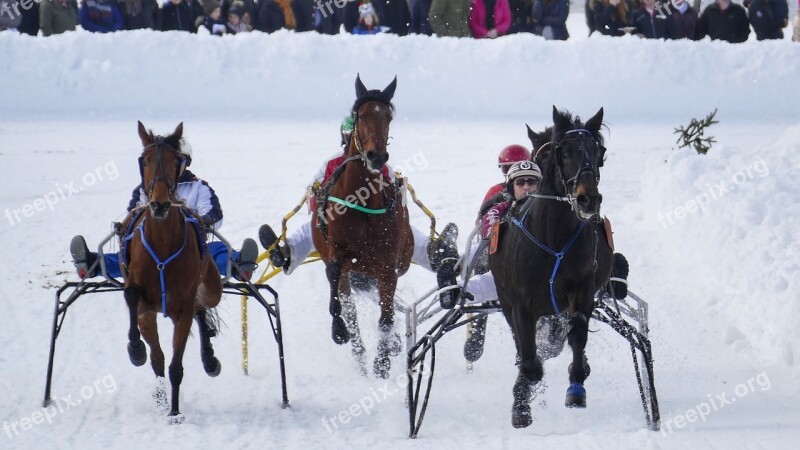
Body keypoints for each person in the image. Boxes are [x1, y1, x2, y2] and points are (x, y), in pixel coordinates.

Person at [259, 115, 460, 278]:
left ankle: (434, 253)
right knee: (312, 229)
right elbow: (313, 193)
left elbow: (396, 200)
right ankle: (287, 253)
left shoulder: (380, 166)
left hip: (376, 224)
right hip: (336, 222)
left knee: (403, 231)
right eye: (350, 138)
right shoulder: (332, 163)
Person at [70, 138, 258, 283]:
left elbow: (214, 215)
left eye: (176, 162)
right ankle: (92, 264)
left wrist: (203, 221)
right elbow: (135, 213)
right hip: (152, 249)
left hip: (189, 251)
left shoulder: (198, 188)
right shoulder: (146, 190)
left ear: (185, 162)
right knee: (128, 257)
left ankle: (239, 267)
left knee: (216, 250)